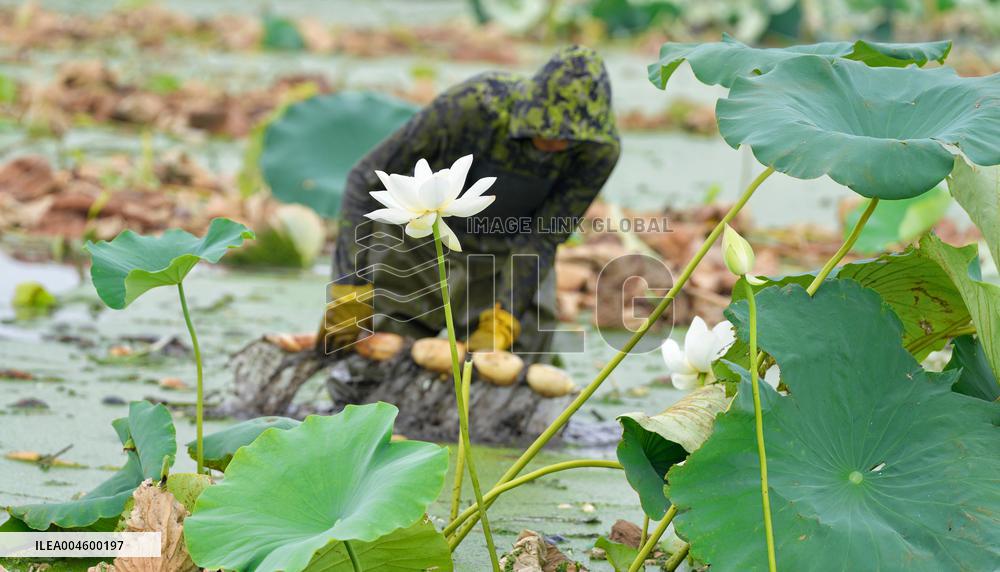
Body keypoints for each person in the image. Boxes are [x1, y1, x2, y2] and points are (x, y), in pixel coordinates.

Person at [324, 45, 620, 360]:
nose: (555, 144)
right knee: (369, 359)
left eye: (567, 139)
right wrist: (348, 289)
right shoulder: (472, 106)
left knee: (513, 365)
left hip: (506, 255)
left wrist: (506, 316)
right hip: (420, 240)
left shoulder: (598, 151)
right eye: (545, 131)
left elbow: (544, 236)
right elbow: (364, 180)